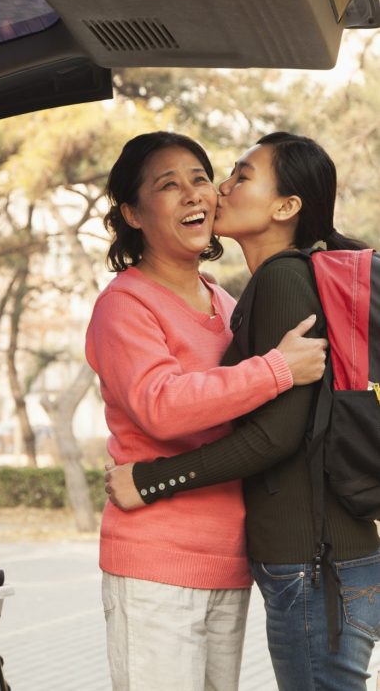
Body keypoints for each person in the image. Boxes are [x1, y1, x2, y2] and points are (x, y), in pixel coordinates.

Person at [105, 132, 380, 691]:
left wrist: (154, 479)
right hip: (175, 560)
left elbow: (277, 431)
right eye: (168, 185)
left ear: (286, 207)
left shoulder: (254, 290)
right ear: (131, 213)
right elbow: (165, 406)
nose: (209, 191)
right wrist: (275, 369)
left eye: (208, 178)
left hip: (278, 559)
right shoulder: (128, 303)